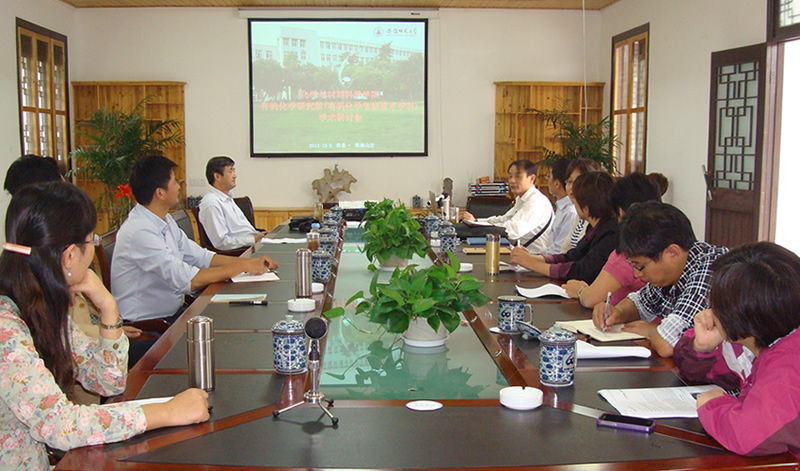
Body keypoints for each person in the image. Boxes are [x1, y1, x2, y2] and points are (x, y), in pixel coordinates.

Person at [0, 182, 209, 470]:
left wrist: (109, 308)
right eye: (93, 241)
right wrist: (166, 412)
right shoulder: (5, 329)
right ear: (70, 255)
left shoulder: (40, 306)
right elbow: (60, 426)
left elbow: (107, 381)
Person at [111, 156, 278, 323]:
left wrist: (249, 262)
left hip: (174, 313)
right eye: (175, 181)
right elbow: (187, 279)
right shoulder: (140, 231)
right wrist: (242, 266)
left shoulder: (164, 220)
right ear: (160, 193)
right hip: (150, 324)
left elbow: (201, 257)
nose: (179, 186)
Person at [684, 242, 800, 458]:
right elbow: (692, 367)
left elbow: (748, 436)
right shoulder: (764, 339)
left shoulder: (789, 366)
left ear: (737, 314)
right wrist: (702, 348)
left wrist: (713, 405)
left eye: (715, 303)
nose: (710, 310)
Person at [592, 201, 728, 357]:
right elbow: (640, 303)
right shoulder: (672, 268)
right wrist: (617, 312)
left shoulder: (711, 270)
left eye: (640, 266)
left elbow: (668, 345)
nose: (637, 274)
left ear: (673, 253)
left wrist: (651, 330)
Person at [563, 172, 663, 308]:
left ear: (621, 212)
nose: (637, 272)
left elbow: (591, 299)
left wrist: (580, 291)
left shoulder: (627, 252)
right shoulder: (663, 241)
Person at [510, 171, 616, 283]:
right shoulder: (594, 227)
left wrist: (532, 264)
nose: (574, 204)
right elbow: (571, 256)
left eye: (576, 201)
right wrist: (531, 258)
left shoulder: (610, 233)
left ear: (586, 207)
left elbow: (582, 271)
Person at [460, 160, 553, 253]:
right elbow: (504, 219)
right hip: (521, 255)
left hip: (535, 259)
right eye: (510, 176)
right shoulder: (521, 199)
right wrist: (476, 221)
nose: (512, 181)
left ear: (531, 178)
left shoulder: (536, 202)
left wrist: (477, 228)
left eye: (518, 176)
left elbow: (511, 230)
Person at [198, 156, 267, 251]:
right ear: (217, 176)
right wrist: (253, 240)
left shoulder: (227, 198)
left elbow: (242, 230)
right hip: (242, 251)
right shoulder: (211, 204)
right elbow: (221, 242)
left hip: (253, 243)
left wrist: (258, 236)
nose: (235, 175)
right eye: (230, 171)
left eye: (234, 171)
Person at [561, 158, 603, 252]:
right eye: (569, 182)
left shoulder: (594, 217)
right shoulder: (579, 215)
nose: (572, 188)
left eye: (578, 182)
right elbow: (565, 249)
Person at [543, 159, 578, 255]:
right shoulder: (561, 207)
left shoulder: (571, 212)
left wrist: (532, 258)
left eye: (549, 177)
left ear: (557, 183)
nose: (547, 180)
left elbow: (560, 251)